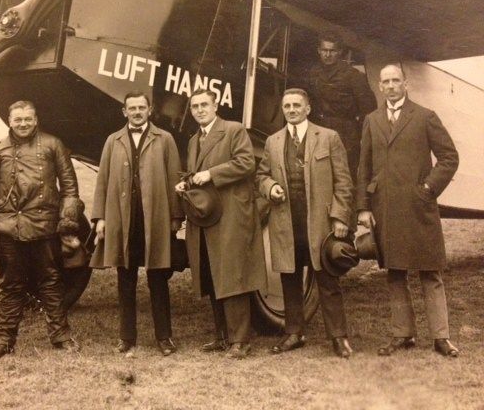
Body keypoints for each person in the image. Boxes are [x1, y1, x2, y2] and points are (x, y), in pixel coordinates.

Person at [357, 64, 460, 358]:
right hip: (385, 207)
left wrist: (427, 189)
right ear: (379, 86)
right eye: (385, 81)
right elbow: (363, 166)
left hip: (419, 207)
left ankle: (441, 338)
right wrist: (363, 207)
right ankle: (403, 335)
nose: (390, 86)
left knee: (430, 271)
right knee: (395, 272)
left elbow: (449, 157)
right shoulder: (372, 120)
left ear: (406, 83)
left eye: (395, 81)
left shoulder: (425, 116)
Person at [0, 100, 81, 360]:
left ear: (36, 120)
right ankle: (4, 341)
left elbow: (69, 189)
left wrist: (67, 226)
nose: (23, 124)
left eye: (28, 119)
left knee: (51, 282)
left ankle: (61, 336)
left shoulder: (54, 145)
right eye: (18, 119)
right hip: (8, 229)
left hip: (45, 227)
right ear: (9, 121)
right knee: (10, 285)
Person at [256, 88, 355, 358]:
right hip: (286, 222)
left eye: (297, 105)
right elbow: (261, 175)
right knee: (290, 278)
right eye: (287, 106)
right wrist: (270, 187)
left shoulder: (329, 137)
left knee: (327, 279)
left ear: (308, 108)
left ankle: (338, 337)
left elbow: (344, 183)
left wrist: (339, 217)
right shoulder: (273, 142)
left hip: (320, 223)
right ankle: (294, 333)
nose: (291, 110)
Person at [175, 89, 266, 359]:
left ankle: (241, 340)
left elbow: (246, 163)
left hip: (231, 215)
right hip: (206, 216)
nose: (200, 110)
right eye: (195, 107)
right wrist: (187, 181)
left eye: (205, 105)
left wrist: (211, 174)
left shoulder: (233, 130)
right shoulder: (194, 140)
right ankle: (222, 336)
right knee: (211, 273)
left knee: (233, 275)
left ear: (216, 106)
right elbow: (197, 174)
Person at [91, 92, 183, 356]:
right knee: (125, 279)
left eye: (141, 107)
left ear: (150, 110)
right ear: (124, 112)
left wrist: (175, 217)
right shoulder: (113, 141)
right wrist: (100, 218)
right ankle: (126, 337)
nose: (137, 112)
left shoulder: (164, 139)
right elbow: (103, 180)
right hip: (123, 219)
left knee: (158, 279)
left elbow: (173, 179)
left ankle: (164, 338)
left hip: (154, 218)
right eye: (132, 108)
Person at [308, 31, 377, 180]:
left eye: (332, 51)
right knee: (319, 176)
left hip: (345, 134)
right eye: (324, 50)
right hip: (319, 130)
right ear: (318, 51)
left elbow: (369, 109)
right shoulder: (313, 73)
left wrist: (356, 134)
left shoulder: (353, 75)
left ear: (339, 52)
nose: (327, 54)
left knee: (343, 178)